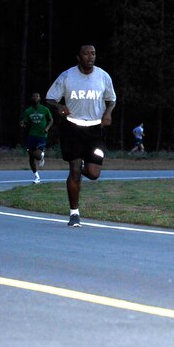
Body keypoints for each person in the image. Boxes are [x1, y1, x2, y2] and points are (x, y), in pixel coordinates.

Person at [45, 45, 116, 227]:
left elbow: (112, 100)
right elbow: (50, 98)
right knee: (74, 170)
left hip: (95, 129)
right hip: (72, 128)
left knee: (93, 174)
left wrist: (108, 113)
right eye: (86, 54)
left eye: (93, 53)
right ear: (78, 57)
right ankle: (74, 213)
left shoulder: (103, 76)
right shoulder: (67, 76)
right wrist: (59, 107)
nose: (90, 57)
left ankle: (83, 167)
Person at [20, 92, 53, 184]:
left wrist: (47, 128)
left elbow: (51, 120)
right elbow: (25, 122)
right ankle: (36, 176)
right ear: (32, 98)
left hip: (42, 135)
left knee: (37, 155)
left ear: (40, 98)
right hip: (32, 135)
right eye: (34, 96)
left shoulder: (44, 109)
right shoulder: (28, 111)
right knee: (31, 157)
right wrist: (23, 124)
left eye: (37, 96)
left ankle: (41, 156)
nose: (35, 98)